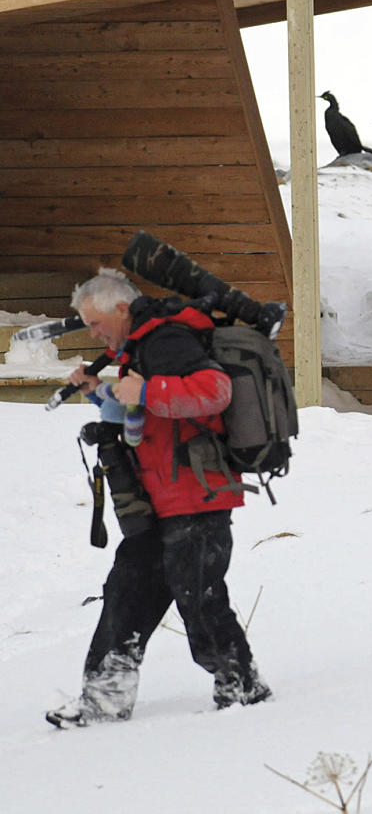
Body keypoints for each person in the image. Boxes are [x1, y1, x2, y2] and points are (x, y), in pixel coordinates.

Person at [46, 269, 270, 728]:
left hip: (196, 492)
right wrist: (99, 393)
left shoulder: (168, 340)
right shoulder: (138, 348)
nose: (93, 333)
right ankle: (104, 698)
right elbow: (139, 412)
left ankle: (242, 687)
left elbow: (215, 391)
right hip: (157, 497)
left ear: (121, 309)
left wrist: (146, 389)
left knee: (199, 597)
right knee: (126, 591)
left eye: (95, 323)